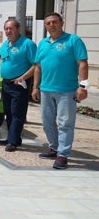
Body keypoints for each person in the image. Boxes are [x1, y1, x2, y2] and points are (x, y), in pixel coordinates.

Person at [31, 12, 88, 169]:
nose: (51, 25)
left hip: (67, 91)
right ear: (45, 25)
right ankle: (54, 148)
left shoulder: (73, 40)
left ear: (62, 23)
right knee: (47, 122)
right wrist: (35, 87)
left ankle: (63, 155)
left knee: (65, 124)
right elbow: (38, 67)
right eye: (48, 23)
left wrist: (83, 86)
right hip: (46, 90)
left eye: (55, 22)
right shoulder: (42, 43)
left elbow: (82, 62)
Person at [0, 18, 36, 152]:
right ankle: (12, 138)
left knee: (17, 113)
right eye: (6, 28)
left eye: (11, 28)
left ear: (18, 29)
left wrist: (23, 77)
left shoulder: (27, 44)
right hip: (6, 83)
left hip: (19, 85)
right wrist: (3, 66)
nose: (8, 31)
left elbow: (36, 65)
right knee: (8, 112)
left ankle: (13, 141)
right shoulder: (7, 43)